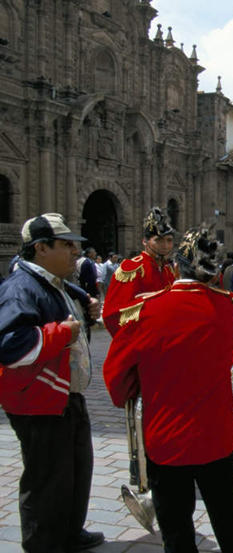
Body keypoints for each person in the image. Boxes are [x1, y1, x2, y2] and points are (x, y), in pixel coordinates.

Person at [103, 226, 233, 552]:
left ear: (177, 265)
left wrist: (138, 390)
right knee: (232, 519)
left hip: (165, 438)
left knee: (176, 528)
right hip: (216, 434)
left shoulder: (145, 310)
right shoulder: (228, 306)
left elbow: (116, 377)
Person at [0, 213, 103, 552]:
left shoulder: (53, 281)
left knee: (75, 471)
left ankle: (70, 532)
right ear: (41, 248)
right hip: (39, 400)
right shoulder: (20, 289)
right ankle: (43, 544)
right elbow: (11, 346)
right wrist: (63, 332)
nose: (76, 252)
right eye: (66, 245)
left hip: (64, 396)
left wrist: (83, 305)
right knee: (46, 478)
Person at [102, 207, 175, 336]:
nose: (165, 246)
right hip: (141, 339)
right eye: (158, 240)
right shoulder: (131, 268)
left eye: (169, 241)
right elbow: (112, 315)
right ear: (145, 242)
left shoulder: (169, 270)